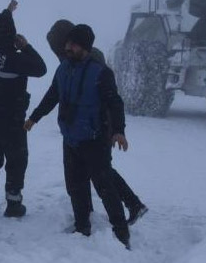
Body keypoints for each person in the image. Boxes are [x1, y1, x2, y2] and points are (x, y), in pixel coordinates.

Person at [25, 24, 131, 249]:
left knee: (105, 188)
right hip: (71, 139)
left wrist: (119, 130)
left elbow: (115, 102)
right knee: (75, 186)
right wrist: (34, 117)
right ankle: (82, 226)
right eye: (67, 43)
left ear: (84, 47)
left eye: (72, 44)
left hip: (94, 139)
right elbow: (52, 95)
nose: (67, 47)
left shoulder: (101, 73)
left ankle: (122, 233)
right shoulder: (63, 69)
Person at [46, 20, 148, 226]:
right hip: (85, 128)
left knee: (100, 173)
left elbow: (105, 98)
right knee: (99, 171)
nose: (61, 52)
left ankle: (127, 209)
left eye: (58, 47)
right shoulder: (74, 57)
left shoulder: (90, 60)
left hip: (98, 127)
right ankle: (126, 205)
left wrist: (113, 130)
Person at [0, 0, 47, 217]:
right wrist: (25, 47)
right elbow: (41, 68)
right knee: (16, 160)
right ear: (12, 36)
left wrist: (8, 11)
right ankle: (13, 204)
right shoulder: (16, 60)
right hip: (12, 120)